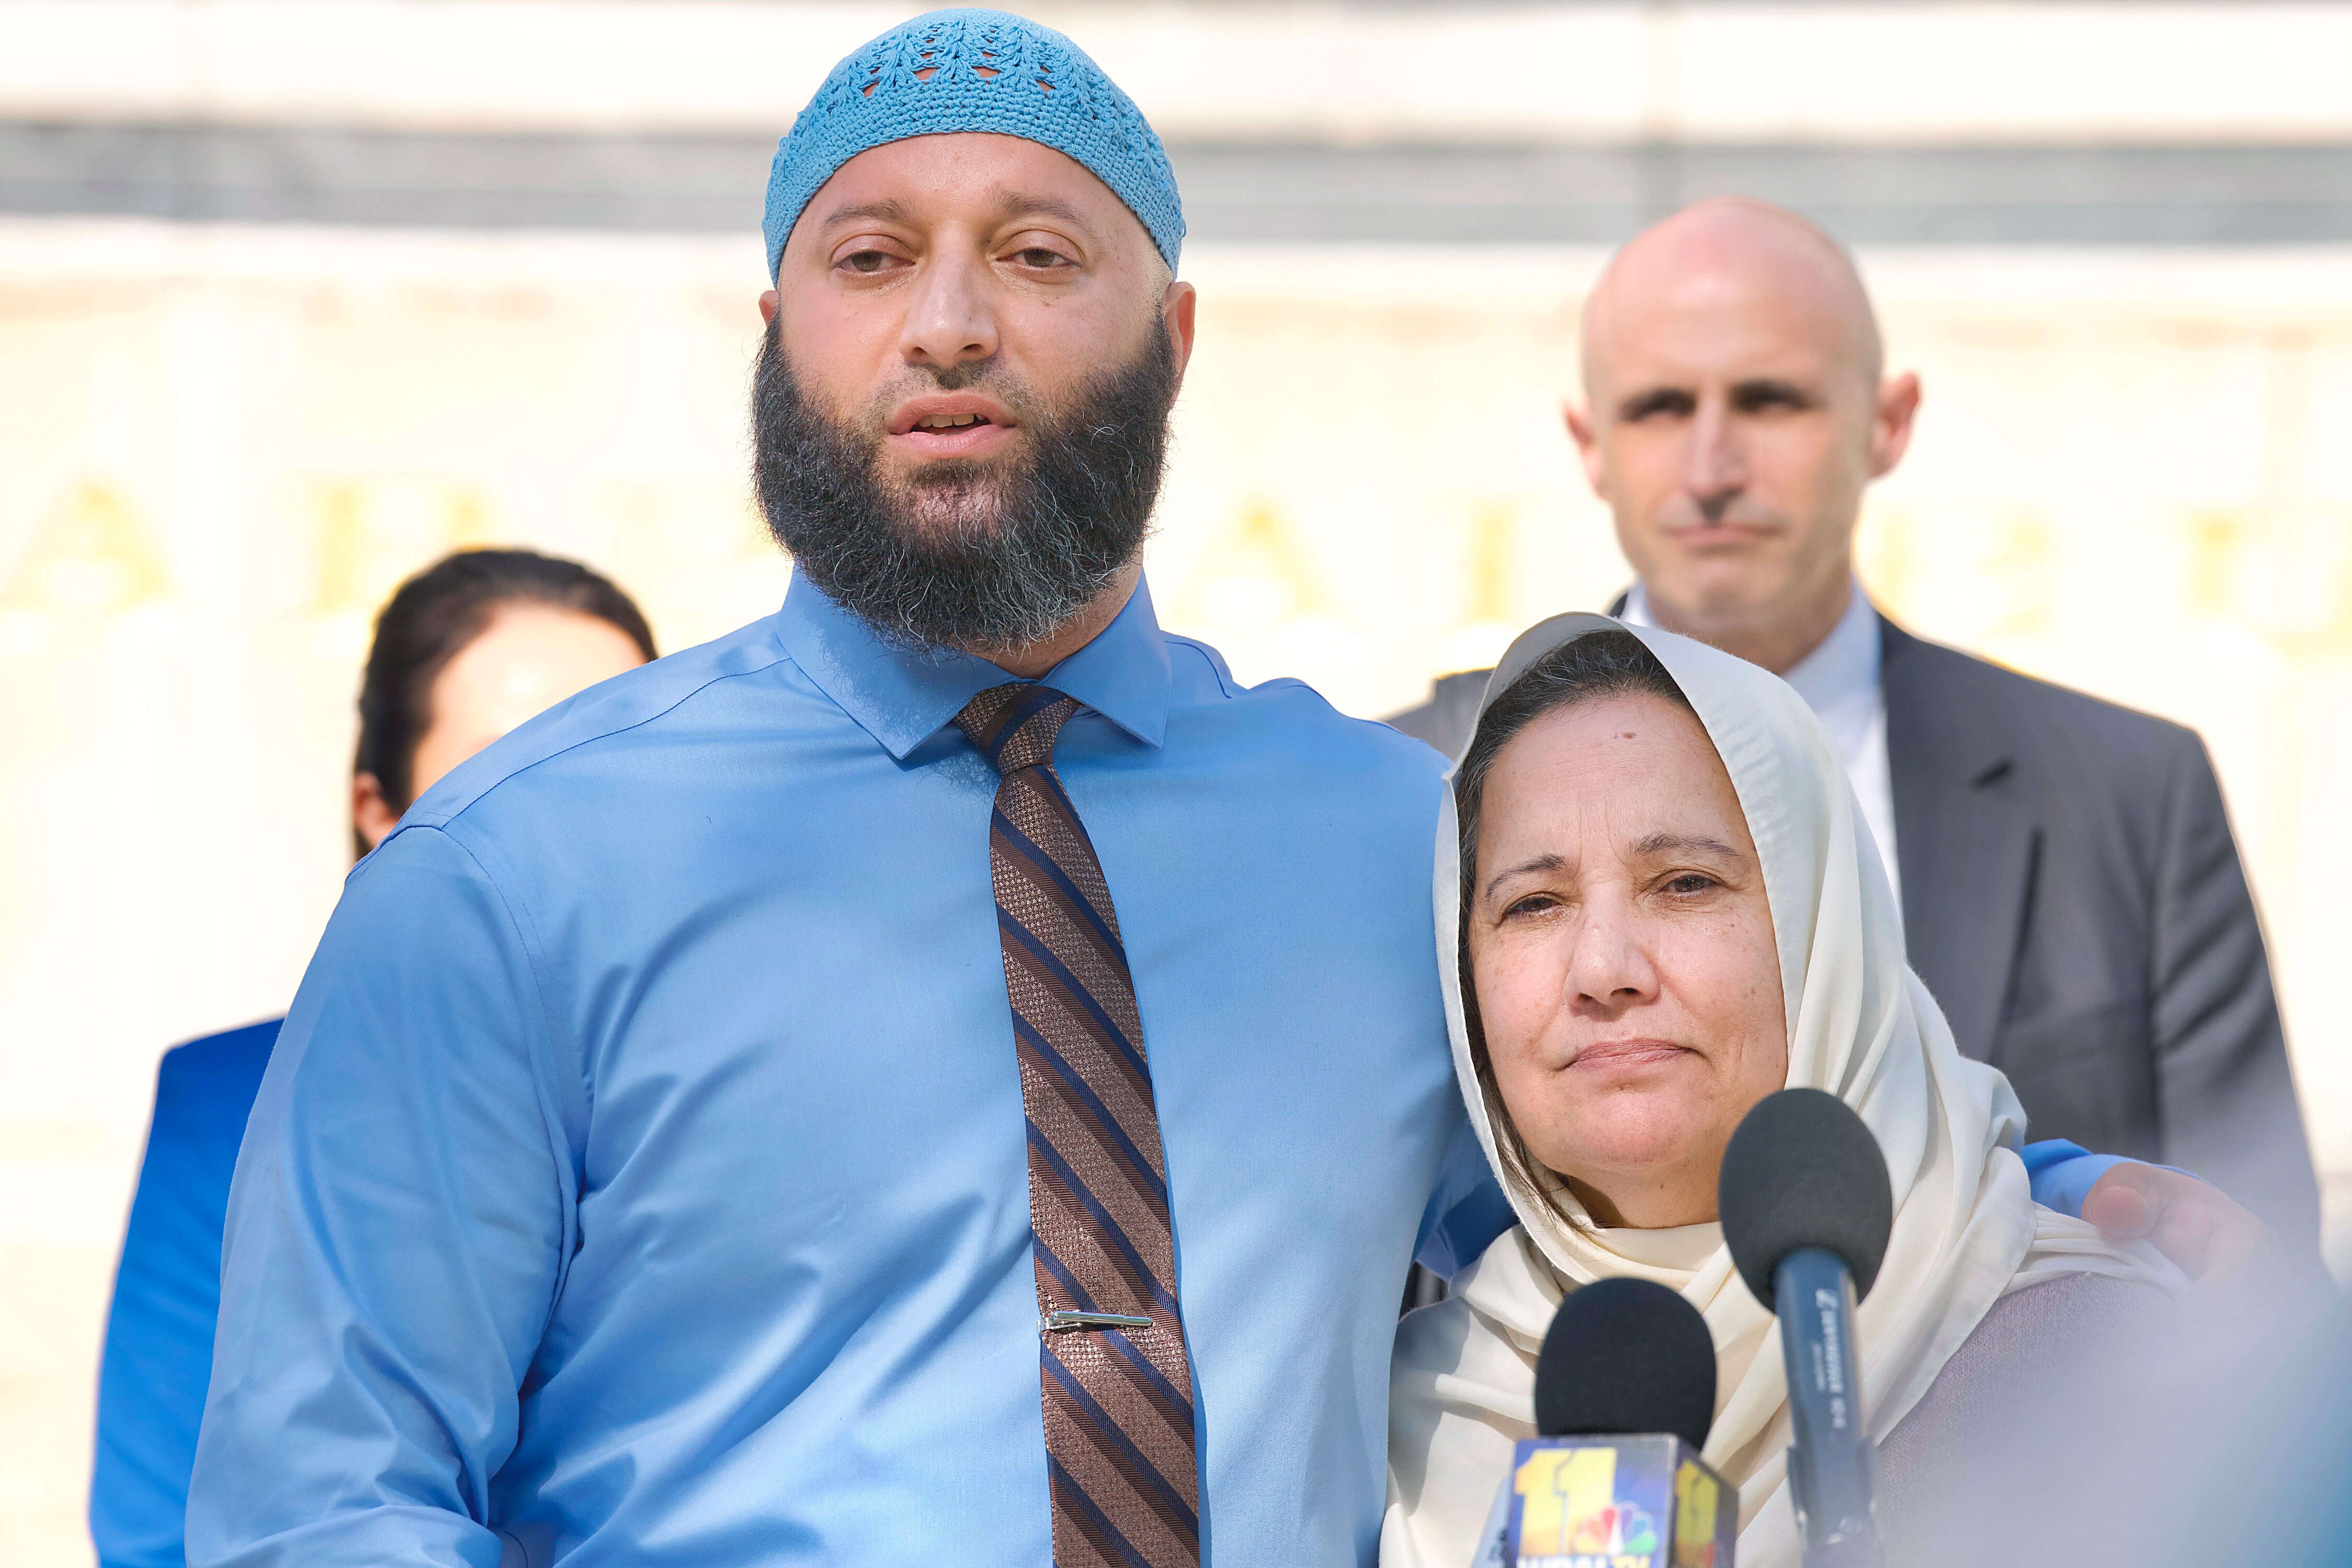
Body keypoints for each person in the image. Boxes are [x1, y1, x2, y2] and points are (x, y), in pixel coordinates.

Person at [186, 16, 2263, 1567]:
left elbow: (1646, 1145)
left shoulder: (1397, 846)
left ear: (1175, 340)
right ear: (773, 334)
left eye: (1036, 255)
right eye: (872, 257)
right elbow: (318, 1495)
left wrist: (2064, 1204)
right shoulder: (507, 882)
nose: (947, 326)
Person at [1386, 199, 2317, 1238]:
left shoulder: (2126, 793)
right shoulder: (1408, 784)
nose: (1710, 468)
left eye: (1770, 400)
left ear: (1889, 420)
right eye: (1657, 407)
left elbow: (2257, 1289)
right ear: (1589, 441)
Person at [1383, 618, 2183, 1567]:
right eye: (1533, 905)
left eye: (1682, 883)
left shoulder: (2100, 1357)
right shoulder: (1397, 1427)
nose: (1602, 969)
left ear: (1825, 936)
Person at [89, 548, 654, 1568]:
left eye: (622, 757)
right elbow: (159, 1525)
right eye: (509, 765)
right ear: (381, 814)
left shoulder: (745, 1078)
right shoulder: (230, 1105)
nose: (582, 810)